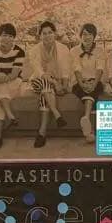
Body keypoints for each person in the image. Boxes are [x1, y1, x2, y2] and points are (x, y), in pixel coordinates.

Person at [26, 20, 72, 148]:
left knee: (45, 94)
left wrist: (64, 85)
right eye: (44, 33)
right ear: (40, 36)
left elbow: (66, 69)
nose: (47, 36)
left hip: (53, 84)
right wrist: (55, 83)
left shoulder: (63, 49)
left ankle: (42, 133)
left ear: (55, 34)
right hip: (38, 81)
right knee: (45, 83)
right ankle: (56, 113)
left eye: (50, 32)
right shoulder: (34, 51)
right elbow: (39, 72)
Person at [0, 23, 24, 149]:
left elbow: (14, 75)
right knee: (0, 91)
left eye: (11, 36)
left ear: (14, 38)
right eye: (5, 35)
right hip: (0, 83)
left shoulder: (19, 52)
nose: (7, 39)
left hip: (15, 82)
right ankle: (10, 117)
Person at [70, 22, 104, 143]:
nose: (87, 37)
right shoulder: (74, 51)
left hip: (95, 81)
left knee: (93, 92)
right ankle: (89, 127)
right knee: (89, 94)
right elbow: (76, 69)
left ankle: (86, 120)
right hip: (79, 82)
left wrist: (93, 84)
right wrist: (82, 84)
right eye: (84, 34)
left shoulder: (100, 50)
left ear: (94, 36)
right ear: (80, 36)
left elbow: (100, 69)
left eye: (90, 34)